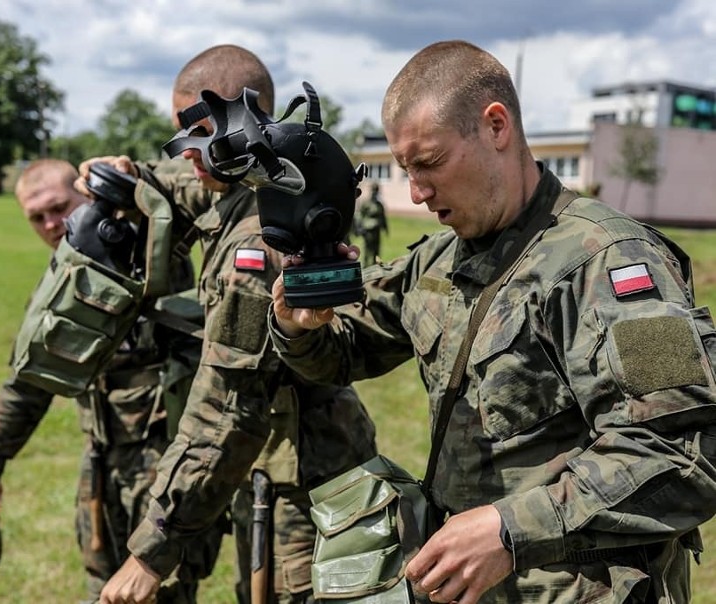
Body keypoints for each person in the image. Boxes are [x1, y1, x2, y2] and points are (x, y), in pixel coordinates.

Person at [268, 40, 716, 603]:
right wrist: (300, 324)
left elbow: (686, 451)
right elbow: (341, 355)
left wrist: (511, 529)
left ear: (496, 127)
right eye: (405, 169)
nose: (416, 191)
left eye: (429, 162)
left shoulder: (609, 260)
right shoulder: (436, 259)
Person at [91, 44, 377, 604]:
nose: (184, 153)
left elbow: (226, 405)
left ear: (241, 126)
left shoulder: (260, 240)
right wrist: (127, 175)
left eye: (196, 134)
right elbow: (179, 182)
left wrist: (152, 551)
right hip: (271, 469)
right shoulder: (254, 189)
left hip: (305, 486)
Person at [0, 158, 222, 603]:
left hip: (163, 464)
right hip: (101, 462)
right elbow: (30, 383)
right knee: (100, 588)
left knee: (162, 591)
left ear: (86, 194)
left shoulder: (153, 253)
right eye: (37, 217)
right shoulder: (62, 282)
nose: (51, 223)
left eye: (58, 207)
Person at [354, 182, 388, 266]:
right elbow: (359, 215)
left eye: (376, 191)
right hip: (368, 230)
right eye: (374, 190)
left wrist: (385, 228)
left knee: (376, 250)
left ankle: (375, 265)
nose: (375, 193)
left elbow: (383, 217)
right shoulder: (366, 203)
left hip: (377, 230)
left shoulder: (379, 205)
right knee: (367, 250)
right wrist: (359, 228)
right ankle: (365, 266)